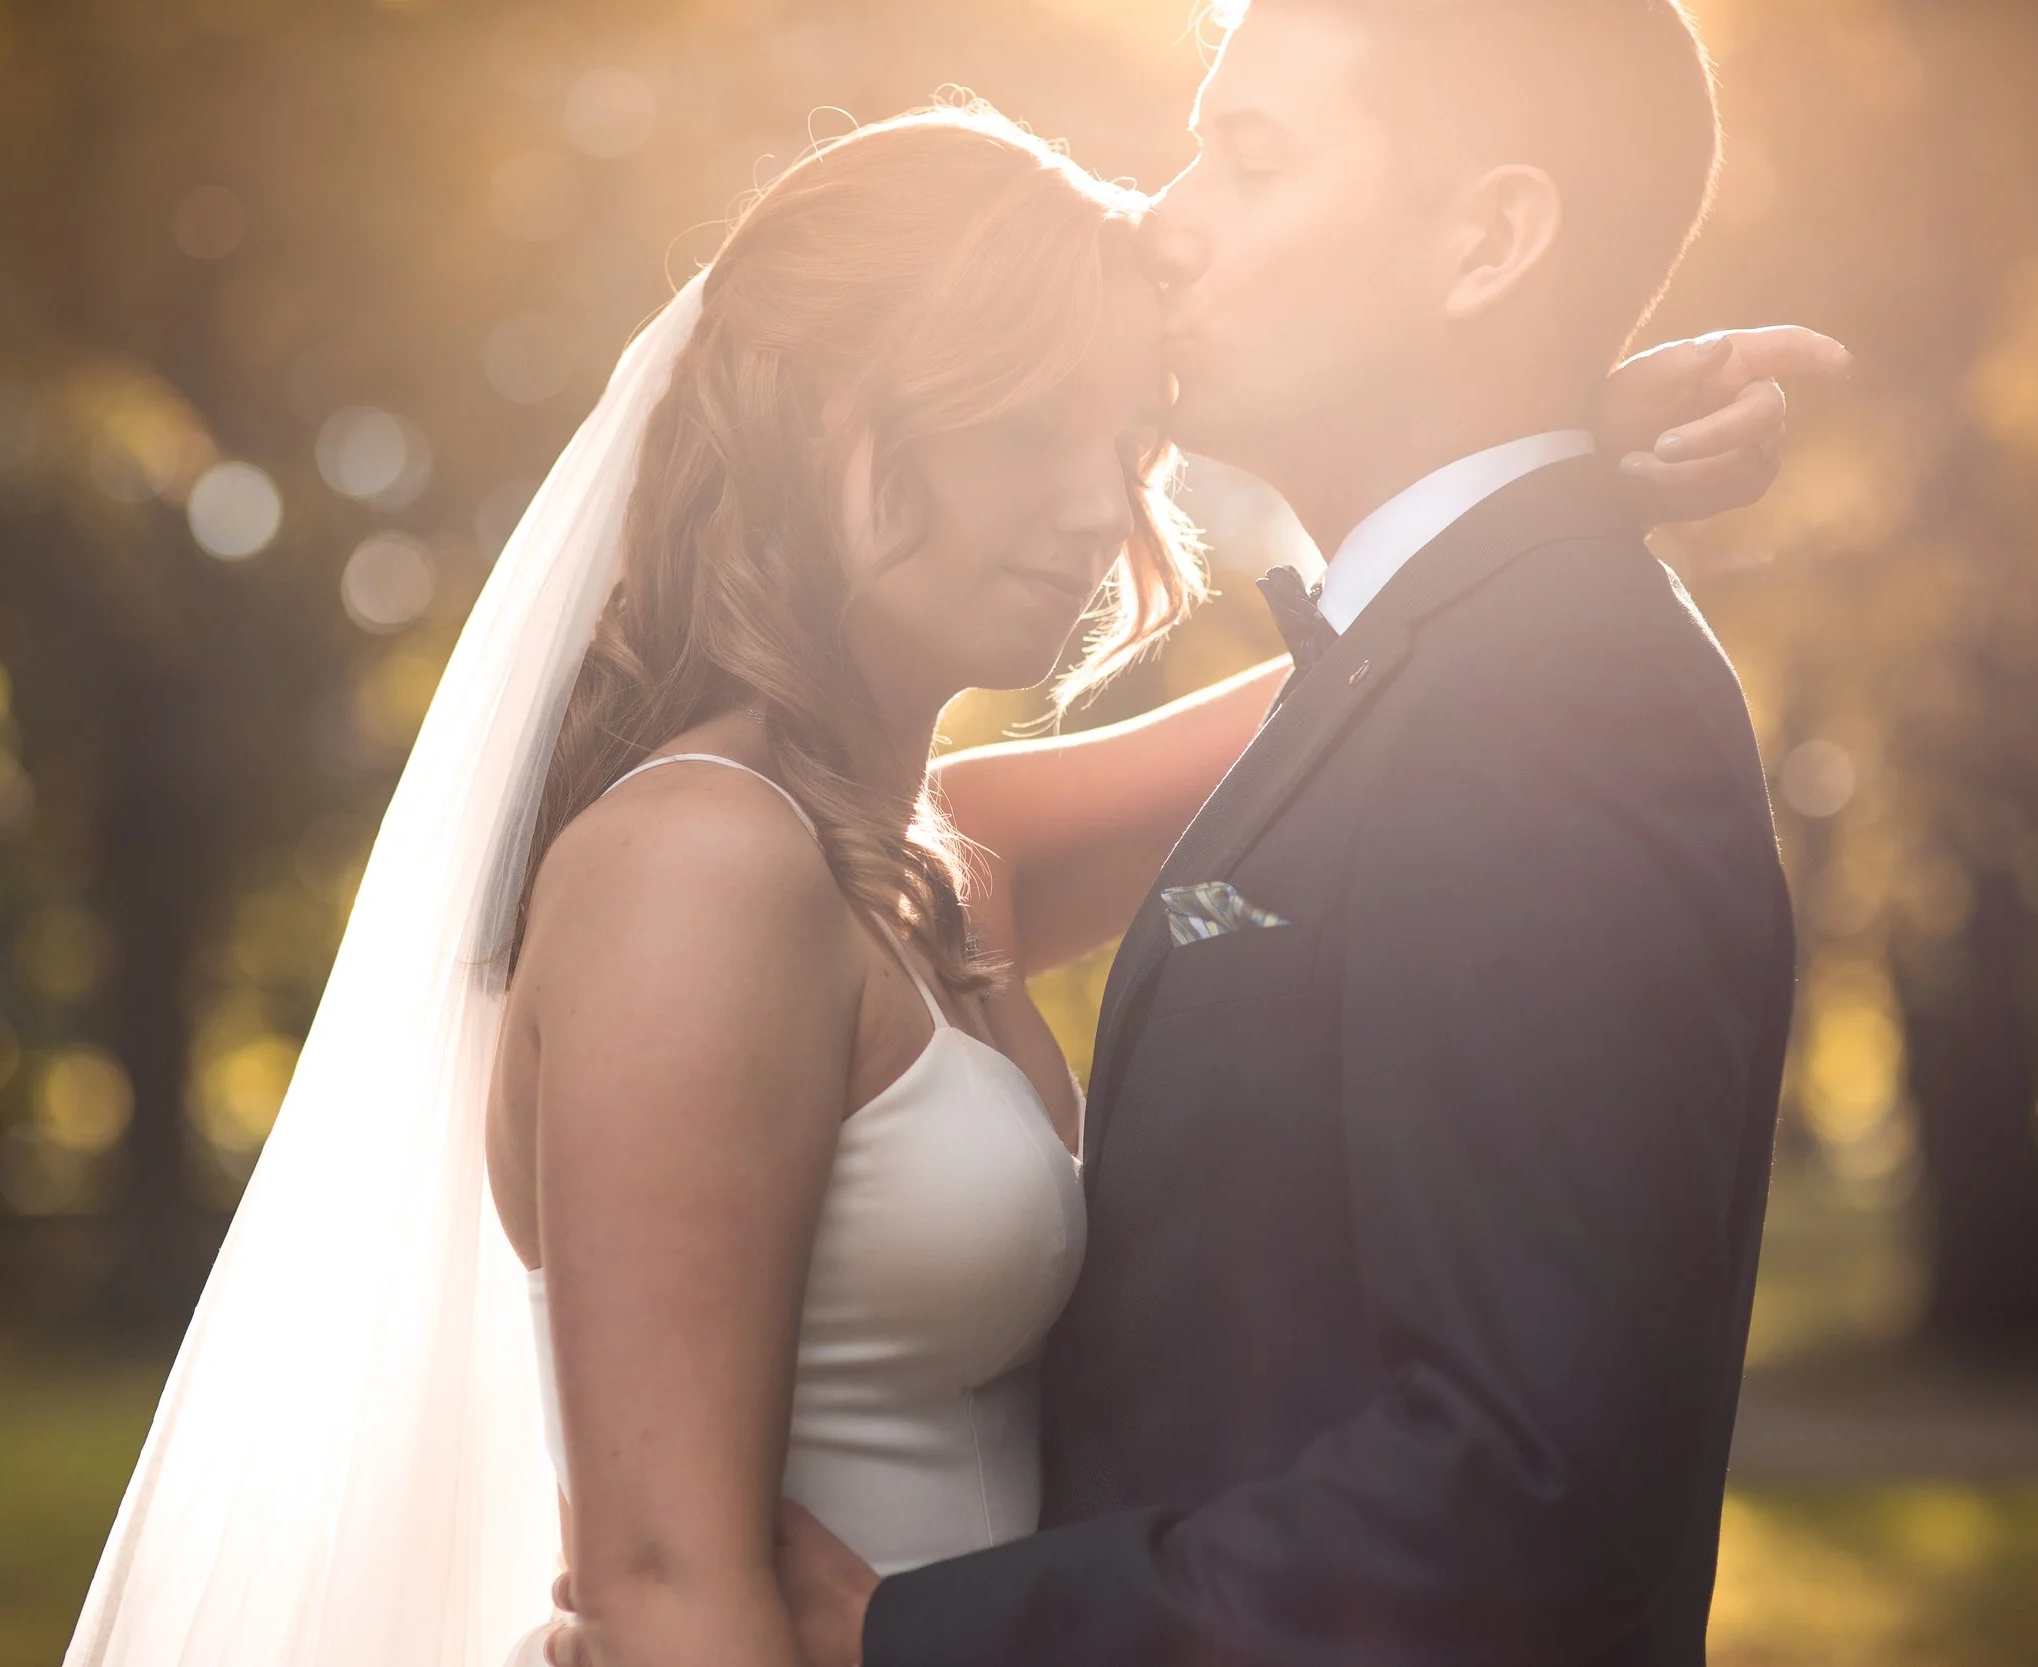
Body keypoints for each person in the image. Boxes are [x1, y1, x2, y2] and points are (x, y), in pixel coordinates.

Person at [63, 63, 1839, 1667]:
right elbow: (667, 1591)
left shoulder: (904, 869)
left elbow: (1354, 708)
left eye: (1115, 444)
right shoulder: (703, 869)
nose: (1091, 508)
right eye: (1017, 428)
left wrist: (1551, 464)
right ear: (814, 424)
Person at [729, 4, 1820, 1666]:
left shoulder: (1562, 697)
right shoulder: (1458, 662)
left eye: (1248, 157)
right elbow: (896, 841)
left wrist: (923, 1637)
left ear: (1489, 240)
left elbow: (1529, 1501)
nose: (1165, 220)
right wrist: (1573, 462)